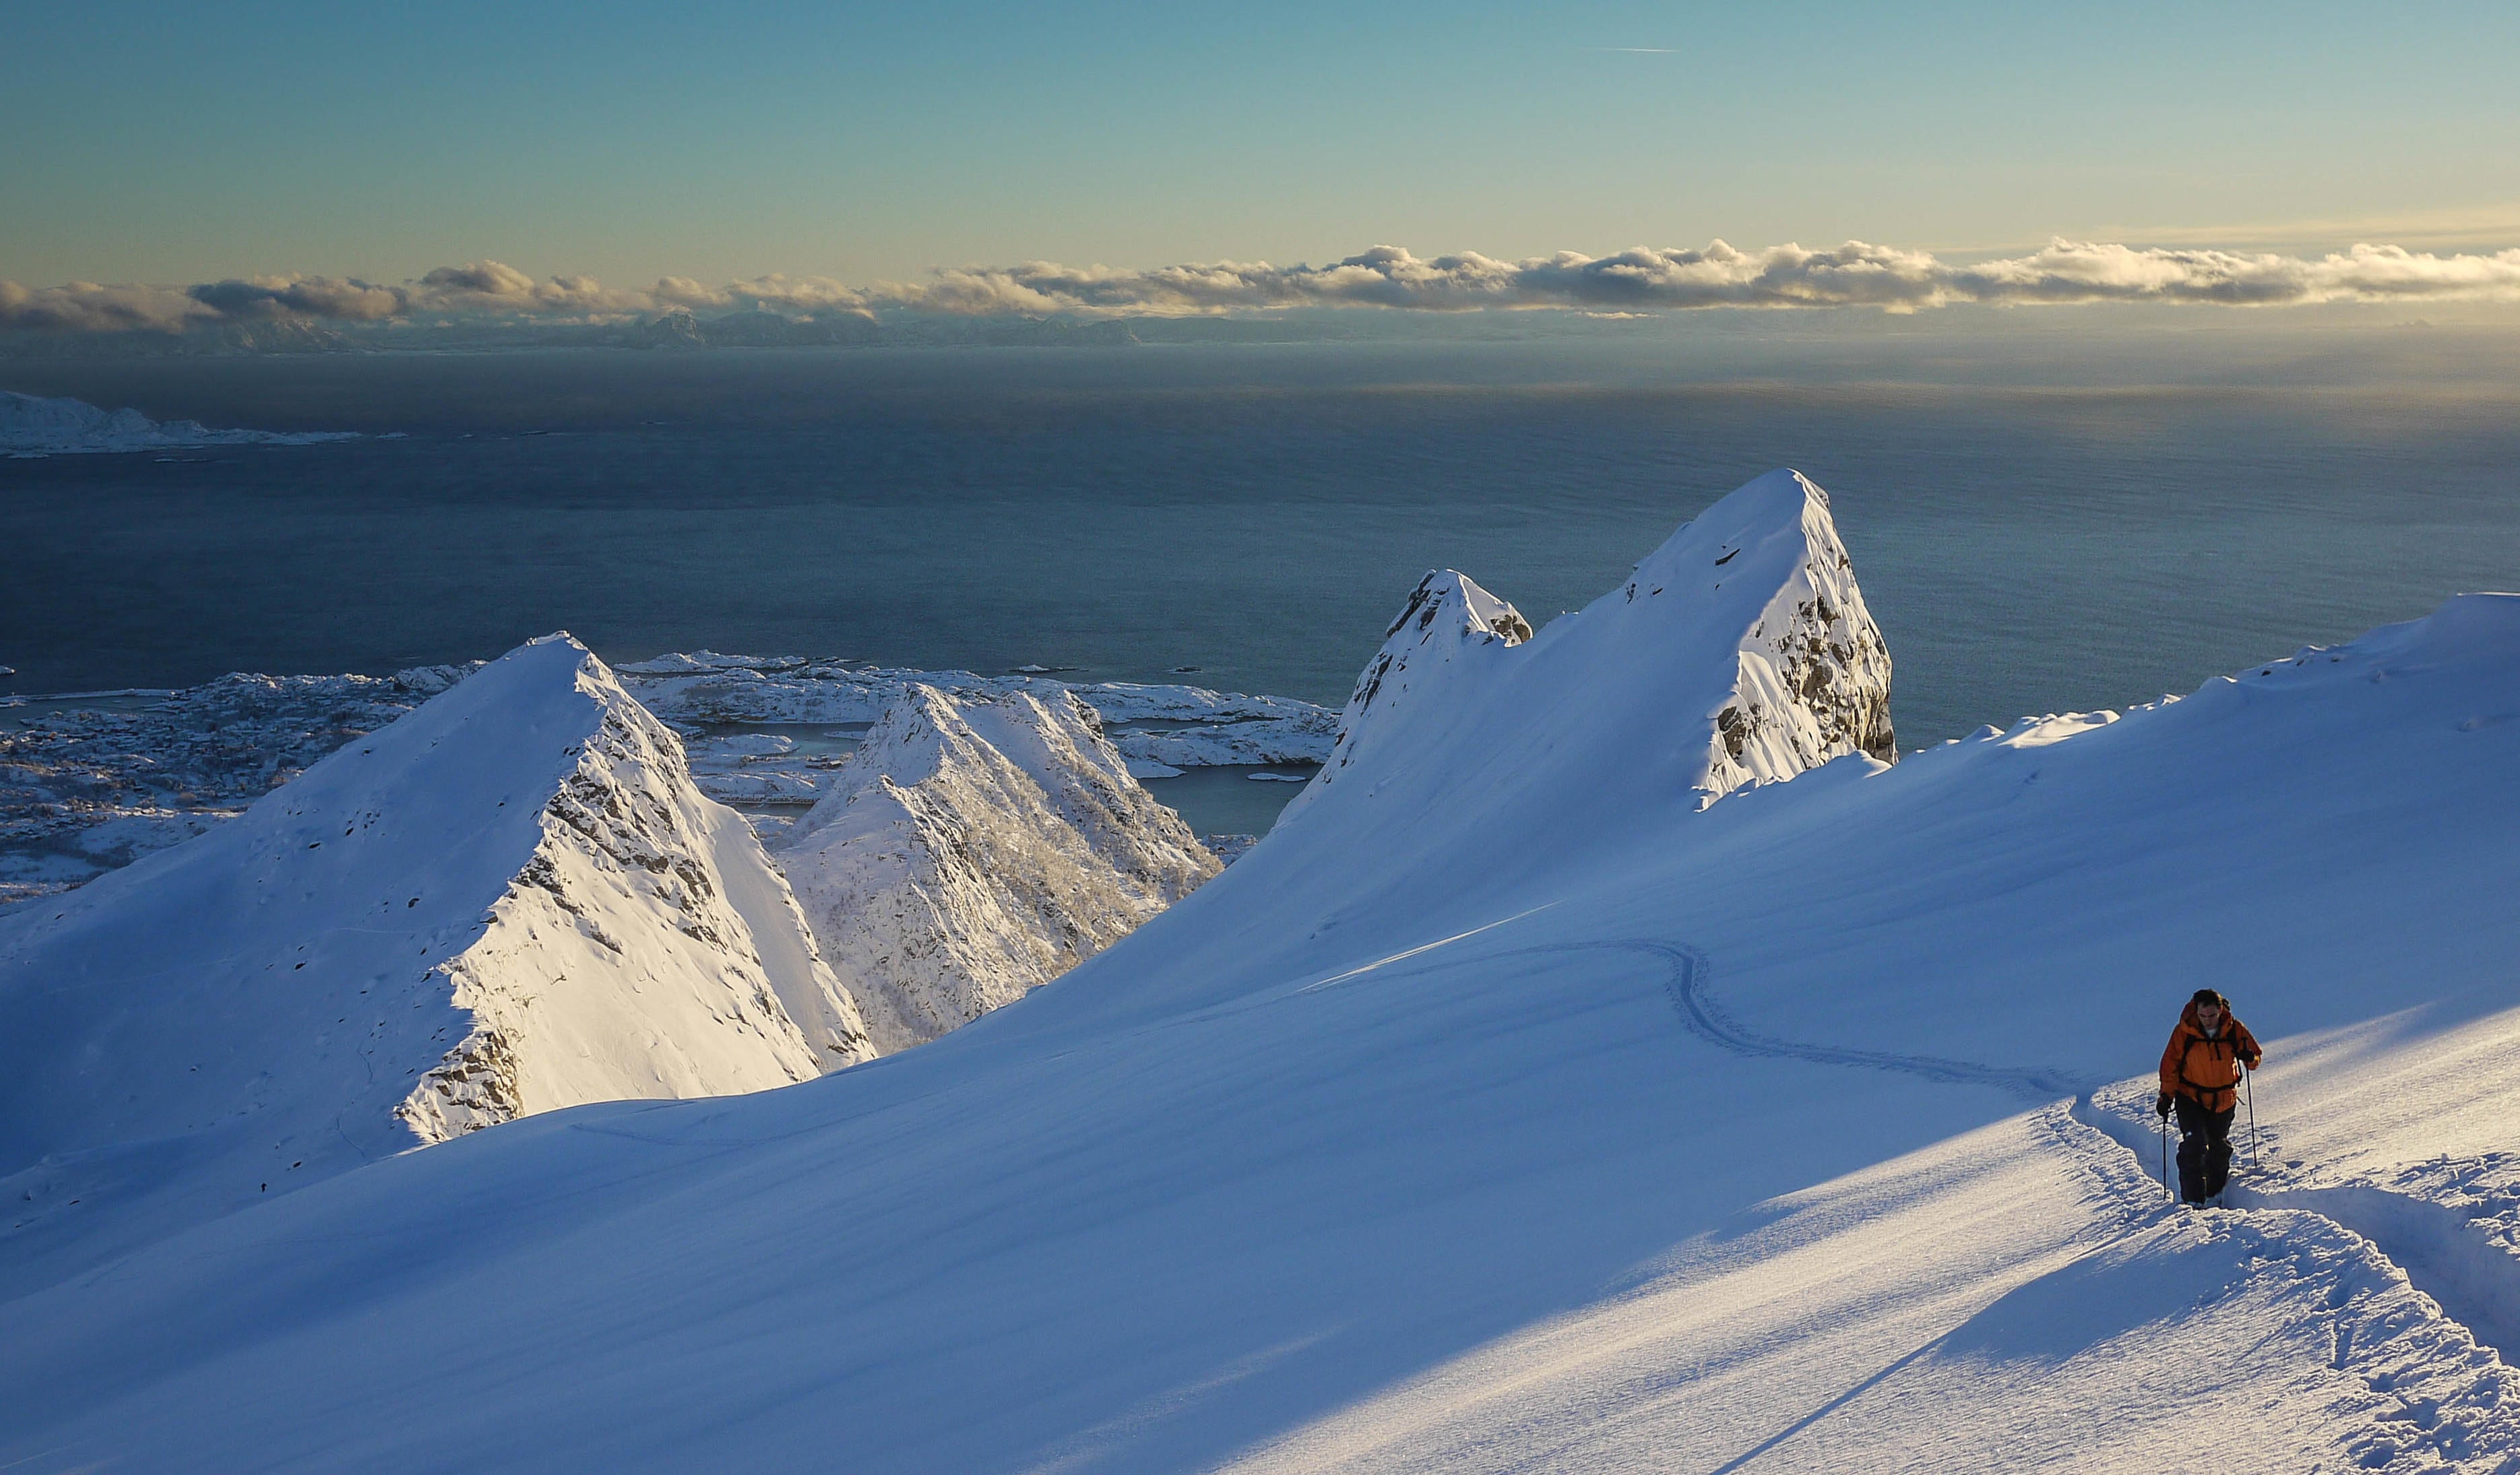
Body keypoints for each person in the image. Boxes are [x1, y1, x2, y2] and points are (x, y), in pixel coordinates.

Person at [2157, 988, 2262, 1205]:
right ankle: (2193, 1201)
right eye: (2203, 1016)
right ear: (2196, 1012)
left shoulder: (2234, 1029)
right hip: (2190, 1097)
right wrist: (2166, 1097)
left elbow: (2255, 1058)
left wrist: (2248, 1057)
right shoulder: (2184, 1032)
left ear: (2220, 1010)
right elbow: (2170, 1066)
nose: (2207, 1021)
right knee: (2194, 1143)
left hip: (2224, 1098)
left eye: (2212, 1015)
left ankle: (2215, 1192)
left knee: (2218, 1145)